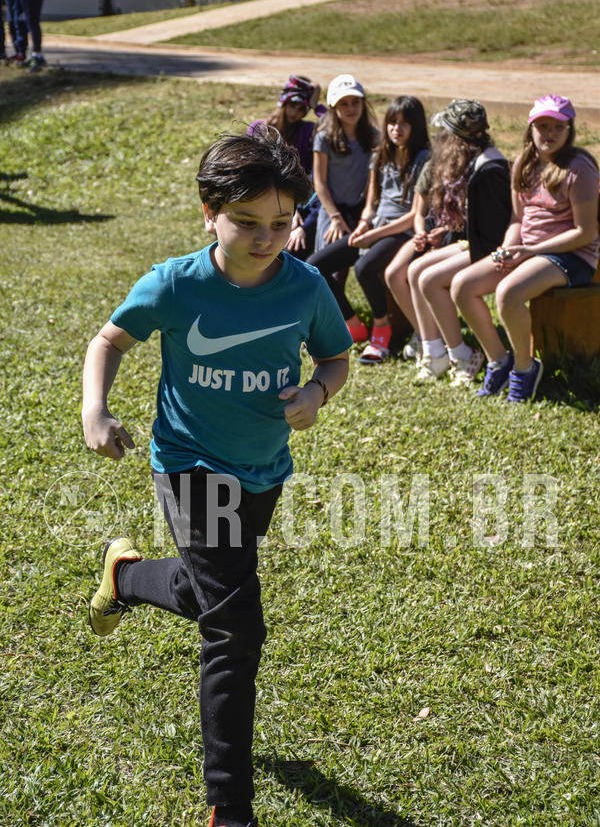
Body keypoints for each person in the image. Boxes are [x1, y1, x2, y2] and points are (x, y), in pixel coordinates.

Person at [82, 127, 352, 827]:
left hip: (263, 470)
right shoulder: (175, 284)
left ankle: (125, 577)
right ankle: (229, 808)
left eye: (281, 223)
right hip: (189, 465)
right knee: (234, 625)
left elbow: (335, 357)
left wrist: (317, 393)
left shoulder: (305, 287)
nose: (266, 238)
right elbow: (109, 340)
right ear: (210, 212)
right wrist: (95, 408)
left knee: (208, 589)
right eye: (246, 222)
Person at [451, 94, 599, 402]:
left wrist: (531, 251)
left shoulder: (579, 168)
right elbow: (518, 220)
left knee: (508, 293)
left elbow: (585, 233)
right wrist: (507, 249)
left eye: (557, 127)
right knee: (462, 285)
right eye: (542, 125)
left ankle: (524, 367)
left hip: (571, 256)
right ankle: (498, 360)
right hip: (529, 250)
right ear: (531, 128)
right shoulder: (524, 164)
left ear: (569, 130)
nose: (549, 133)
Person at [387, 99, 511, 384]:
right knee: (415, 270)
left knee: (430, 278)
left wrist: (461, 243)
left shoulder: (489, 168)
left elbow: (494, 233)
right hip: (475, 242)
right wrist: (444, 230)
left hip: (494, 249)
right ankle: (435, 352)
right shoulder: (469, 159)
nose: (440, 137)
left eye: (445, 131)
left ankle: (462, 355)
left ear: (456, 136)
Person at [308, 95, 430, 360]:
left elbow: (414, 215)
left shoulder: (424, 159)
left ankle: (381, 330)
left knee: (364, 268)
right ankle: (353, 324)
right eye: (392, 122)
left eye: (404, 123)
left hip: (403, 232)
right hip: (375, 227)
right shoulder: (381, 154)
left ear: (417, 126)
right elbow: (372, 202)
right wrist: (364, 225)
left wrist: (373, 234)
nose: (396, 129)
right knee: (315, 266)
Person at [306, 73, 379, 341]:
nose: (351, 109)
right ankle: (344, 320)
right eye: (344, 104)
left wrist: (367, 215)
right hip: (332, 209)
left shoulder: (373, 137)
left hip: (360, 209)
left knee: (342, 268)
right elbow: (319, 182)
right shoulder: (325, 137)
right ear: (333, 107)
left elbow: (374, 181)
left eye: (355, 102)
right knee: (321, 266)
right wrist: (335, 216)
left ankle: (342, 321)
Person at [247, 75, 326, 260]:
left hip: (299, 200)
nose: (295, 113)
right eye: (292, 105)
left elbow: (333, 125)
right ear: (283, 102)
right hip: (262, 196)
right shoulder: (259, 129)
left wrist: (316, 106)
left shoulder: (307, 131)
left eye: (302, 109)